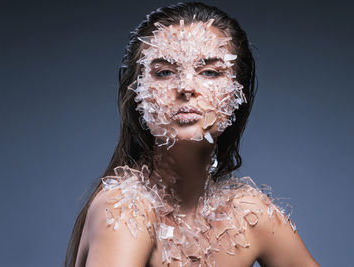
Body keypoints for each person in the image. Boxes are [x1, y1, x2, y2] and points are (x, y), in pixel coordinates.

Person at [65, 2, 319, 266]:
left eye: (209, 72)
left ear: (237, 93)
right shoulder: (126, 209)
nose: (186, 88)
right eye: (164, 72)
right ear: (137, 94)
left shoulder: (249, 215)